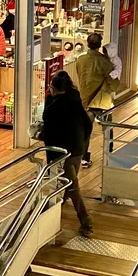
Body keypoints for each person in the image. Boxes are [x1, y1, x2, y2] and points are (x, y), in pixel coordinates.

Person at [40, 70, 95, 238]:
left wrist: (40, 135)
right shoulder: (75, 102)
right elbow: (88, 124)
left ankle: (86, 221)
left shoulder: (53, 107)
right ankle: (57, 208)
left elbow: (50, 132)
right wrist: (84, 145)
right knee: (68, 182)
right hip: (78, 148)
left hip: (62, 153)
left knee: (72, 186)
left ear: (53, 88)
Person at [73, 33, 120, 167]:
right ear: (100, 45)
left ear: (87, 44)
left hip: (85, 100)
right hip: (102, 99)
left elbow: (80, 76)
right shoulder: (106, 62)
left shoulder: (80, 60)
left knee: (86, 130)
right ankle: (109, 152)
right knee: (107, 127)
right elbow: (113, 82)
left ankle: (84, 156)